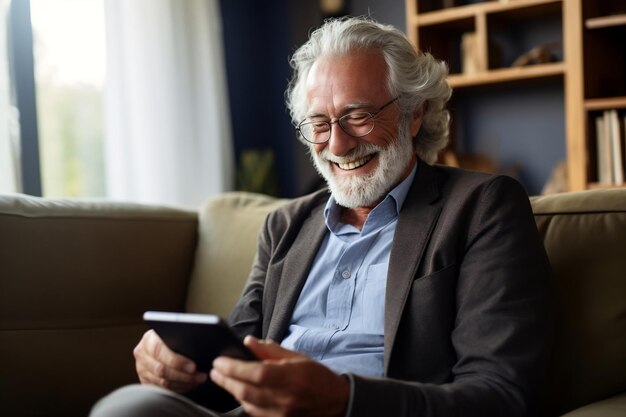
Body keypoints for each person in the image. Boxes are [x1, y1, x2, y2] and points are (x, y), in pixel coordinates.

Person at [91, 16, 553, 417]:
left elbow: (502, 396)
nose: (337, 144)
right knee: (130, 407)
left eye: (357, 115)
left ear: (414, 115)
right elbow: (228, 371)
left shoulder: (482, 207)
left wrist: (343, 400)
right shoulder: (285, 226)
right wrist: (178, 367)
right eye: (319, 123)